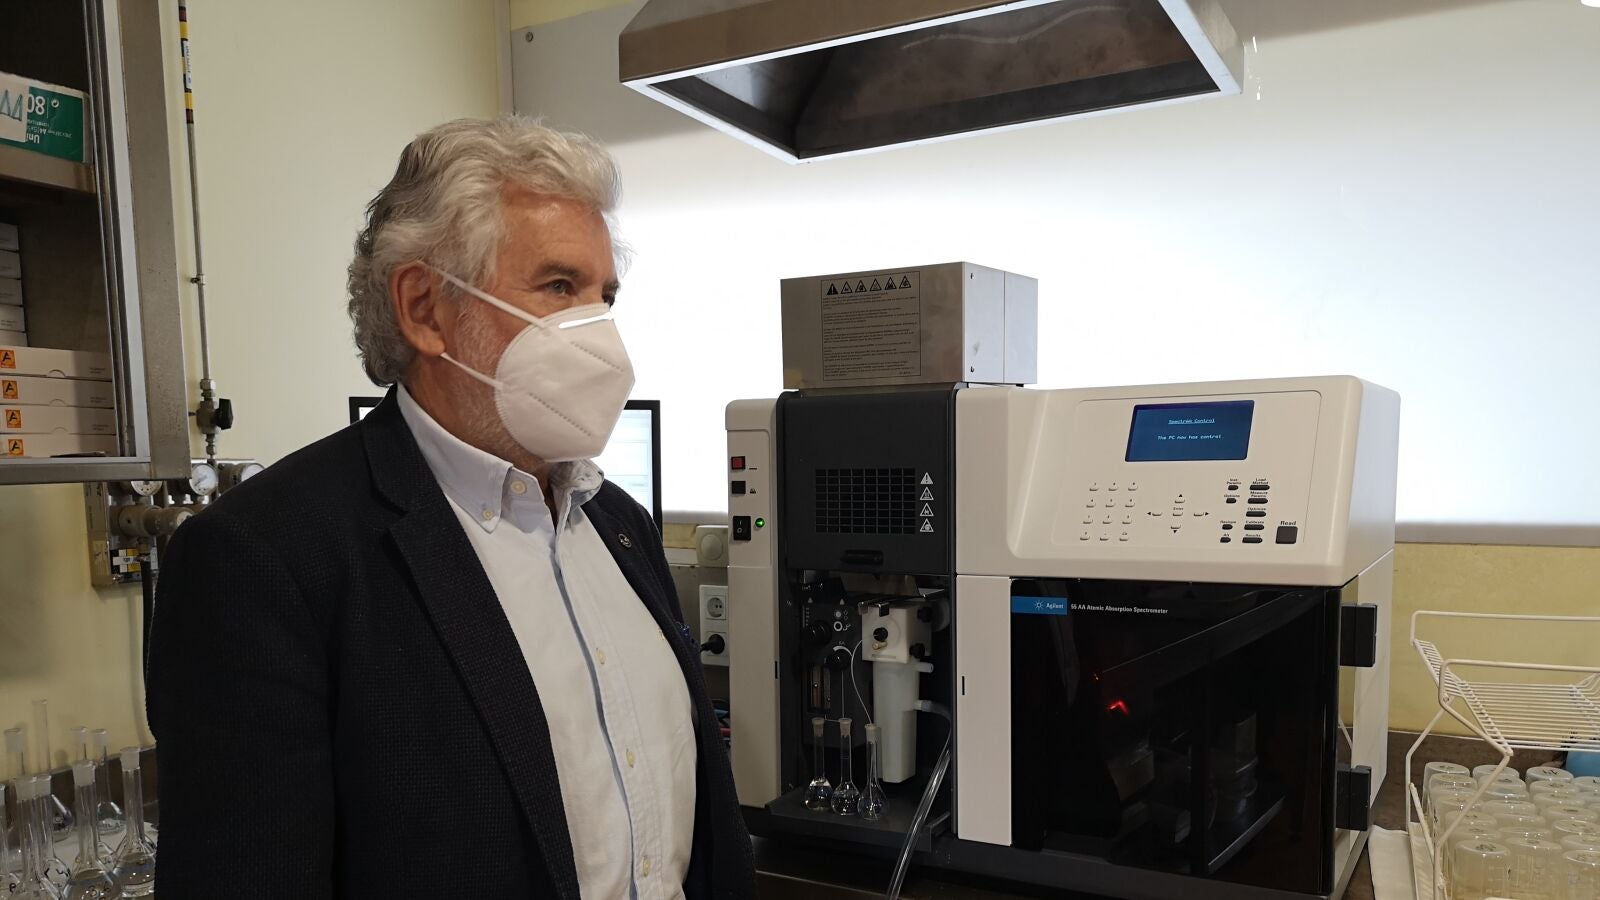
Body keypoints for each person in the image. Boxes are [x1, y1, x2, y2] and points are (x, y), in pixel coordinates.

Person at [147, 117, 756, 899]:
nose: (600, 334)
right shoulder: (265, 561)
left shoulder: (619, 525)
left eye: (605, 296)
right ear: (425, 308)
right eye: (559, 287)